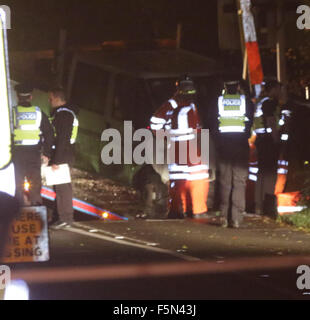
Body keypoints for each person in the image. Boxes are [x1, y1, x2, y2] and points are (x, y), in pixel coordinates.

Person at [150, 75, 209, 219]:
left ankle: (191, 210)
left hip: (186, 145)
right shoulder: (173, 104)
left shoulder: (188, 104)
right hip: (181, 145)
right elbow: (155, 123)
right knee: (185, 179)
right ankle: (186, 210)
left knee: (193, 177)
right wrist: (167, 136)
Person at [217, 80, 254, 228]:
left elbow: (212, 122)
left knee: (225, 181)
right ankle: (236, 218)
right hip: (240, 144)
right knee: (239, 181)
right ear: (238, 87)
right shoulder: (245, 101)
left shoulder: (219, 101)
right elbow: (250, 121)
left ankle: (224, 217)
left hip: (224, 144)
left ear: (225, 87)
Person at [12, 83, 54, 206]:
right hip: (33, 155)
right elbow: (49, 133)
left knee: (17, 186)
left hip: (17, 154)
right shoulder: (38, 113)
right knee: (35, 187)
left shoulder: (12, 113)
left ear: (17, 97)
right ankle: (36, 216)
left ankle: (18, 217)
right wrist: (46, 153)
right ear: (31, 97)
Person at [48, 87, 79, 229]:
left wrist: (57, 160)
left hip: (63, 156)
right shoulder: (66, 113)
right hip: (64, 155)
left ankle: (65, 218)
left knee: (62, 189)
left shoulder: (64, 115)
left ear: (57, 98)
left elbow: (62, 139)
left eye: (51, 99)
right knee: (60, 188)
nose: (50, 101)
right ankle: (60, 217)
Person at [253, 80, 282, 216]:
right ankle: (267, 206)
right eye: (278, 89)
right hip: (268, 140)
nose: (280, 92)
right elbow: (271, 122)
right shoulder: (269, 103)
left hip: (261, 139)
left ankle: (258, 206)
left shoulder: (260, 101)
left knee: (261, 174)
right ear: (273, 89)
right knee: (270, 174)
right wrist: (276, 140)